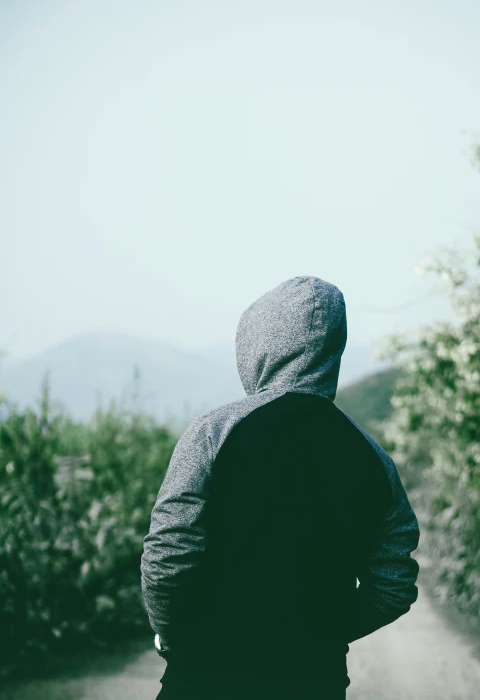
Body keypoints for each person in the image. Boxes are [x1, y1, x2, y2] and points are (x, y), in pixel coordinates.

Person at [141, 275, 421, 700]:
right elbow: (394, 584)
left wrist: (171, 630)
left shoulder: (215, 432)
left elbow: (168, 553)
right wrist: (324, 632)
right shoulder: (373, 459)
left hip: (204, 675)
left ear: (257, 346)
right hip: (315, 681)